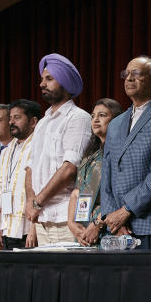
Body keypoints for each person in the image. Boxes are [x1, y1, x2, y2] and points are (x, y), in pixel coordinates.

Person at [99, 56, 151, 249]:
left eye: (136, 74)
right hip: (117, 227)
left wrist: (126, 210)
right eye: (126, 74)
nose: (129, 79)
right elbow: (107, 174)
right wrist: (112, 216)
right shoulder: (116, 123)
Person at [24, 53, 92, 245]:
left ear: (65, 82)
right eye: (42, 79)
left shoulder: (78, 118)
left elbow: (70, 168)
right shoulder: (42, 123)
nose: (41, 84)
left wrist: (37, 202)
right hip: (41, 219)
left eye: (49, 79)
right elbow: (30, 168)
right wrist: (31, 203)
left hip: (66, 220)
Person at [67, 98, 123, 246]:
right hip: (84, 223)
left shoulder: (120, 152)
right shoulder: (91, 154)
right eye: (93, 116)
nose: (96, 119)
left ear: (116, 120)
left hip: (106, 225)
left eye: (102, 115)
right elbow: (76, 192)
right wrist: (71, 223)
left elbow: (119, 195)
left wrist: (97, 224)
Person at [0, 99, 40, 250]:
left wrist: (34, 228)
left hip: (27, 230)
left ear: (33, 122)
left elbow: (39, 190)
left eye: (17, 118)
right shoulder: (6, 151)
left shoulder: (39, 146)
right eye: (10, 118)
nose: (12, 122)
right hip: (6, 228)